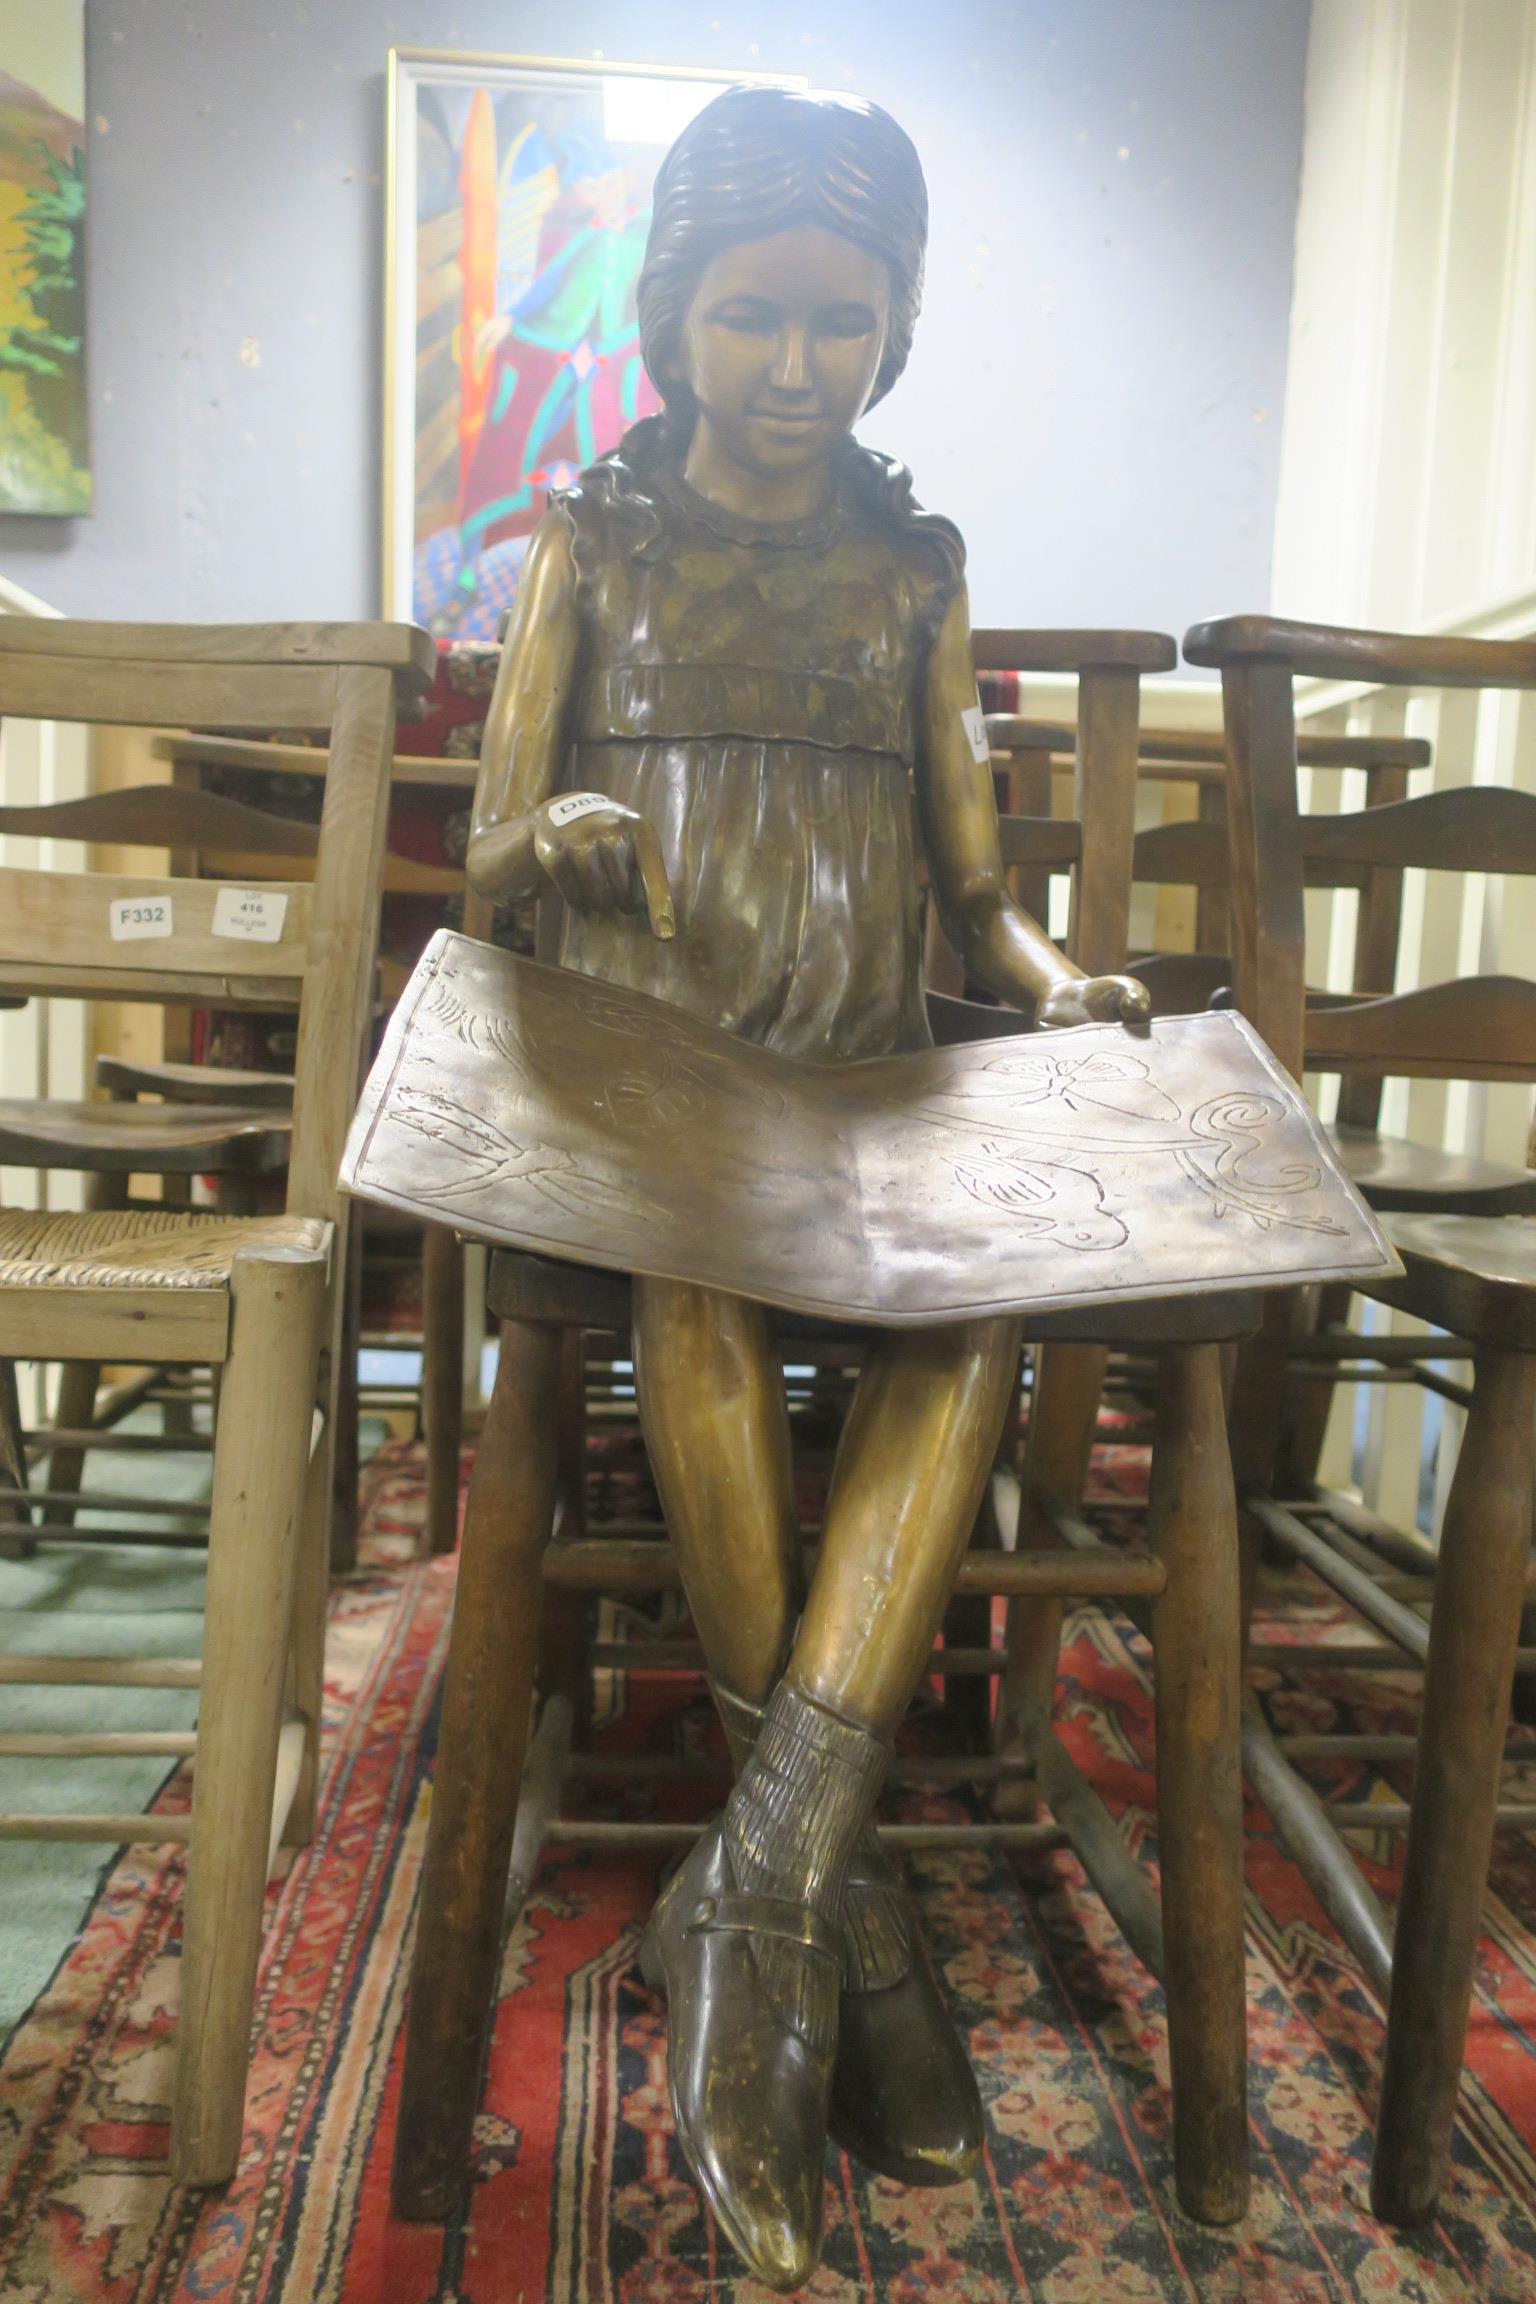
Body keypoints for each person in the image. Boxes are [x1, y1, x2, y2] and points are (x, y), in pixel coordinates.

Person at [465, 82, 1149, 2290]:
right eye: (751, 315)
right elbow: (481, 853)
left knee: (976, 1305)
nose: (790, 364)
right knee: (702, 1292)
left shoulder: (917, 570)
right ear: (674, 315)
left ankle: (759, 1891)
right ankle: (832, 1914)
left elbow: (978, 881)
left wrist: (1062, 976)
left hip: (861, 1093)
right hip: (648, 1097)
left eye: (837, 323)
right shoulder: (591, 547)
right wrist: (544, 837)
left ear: (894, 332)